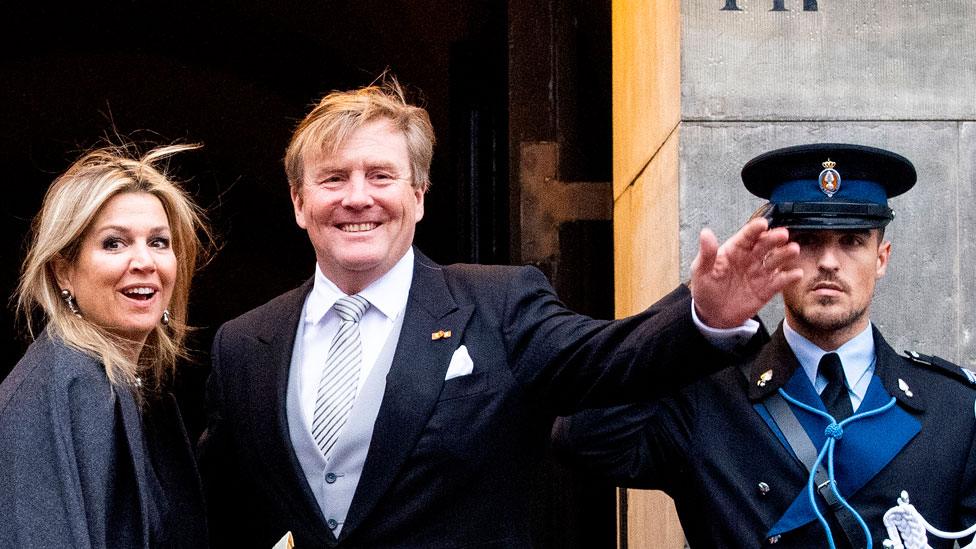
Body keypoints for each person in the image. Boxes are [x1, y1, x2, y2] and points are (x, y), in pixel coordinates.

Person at [197, 77, 801, 548]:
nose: (358, 197)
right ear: (300, 203)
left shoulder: (499, 303)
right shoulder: (245, 342)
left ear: (419, 195)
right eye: (333, 179)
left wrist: (705, 314)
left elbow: (608, 360)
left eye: (381, 175)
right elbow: (215, 508)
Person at [553, 143, 976, 548]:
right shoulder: (708, 398)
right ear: (774, 253)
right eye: (807, 240)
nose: (828, 261)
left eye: (852, 241)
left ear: (881, 257)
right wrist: (696, 316)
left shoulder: (954, 409)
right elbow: (585, 438)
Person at [0, 144, 211, 547]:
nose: (144, 261)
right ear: (63, 271)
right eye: (114, 243)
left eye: (159, 242)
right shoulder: (64, 386)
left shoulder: (128, 384)